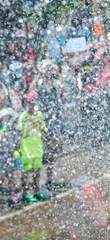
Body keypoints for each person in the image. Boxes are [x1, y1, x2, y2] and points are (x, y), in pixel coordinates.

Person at [31, 61, 64, 191]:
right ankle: (36, 182)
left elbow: (64, 87)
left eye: (49, 70)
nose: (48, 72)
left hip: (53, 120)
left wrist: (58, 74)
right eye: (46, 69)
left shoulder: (55, 83)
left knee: (51, 151)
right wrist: (39, 75)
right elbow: (31, 89)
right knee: (39, 150)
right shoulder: (39, 83)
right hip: (42, 120)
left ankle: (49, 179)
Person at [17, 91, 48, 203]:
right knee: (26, 172)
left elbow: (43, 130)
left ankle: (36, 192)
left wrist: (44, 143)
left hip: (37, 149)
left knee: (37, 171)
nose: (30, 104)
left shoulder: (39, 115)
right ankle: (25, 194)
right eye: (28, 101)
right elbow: (19, 133)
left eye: (32, 101)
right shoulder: (23, 117)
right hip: (26, 149)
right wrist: (17, 150)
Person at [0, 108, 20, 206]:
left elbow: (16, 142)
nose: (7, 120)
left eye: (9, 118)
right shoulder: (1, 130)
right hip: (1, 156)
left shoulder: (12, 129)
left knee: (11, 177)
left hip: (9, 156)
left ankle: (12, 195)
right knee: (1, 178)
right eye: (5, 118)